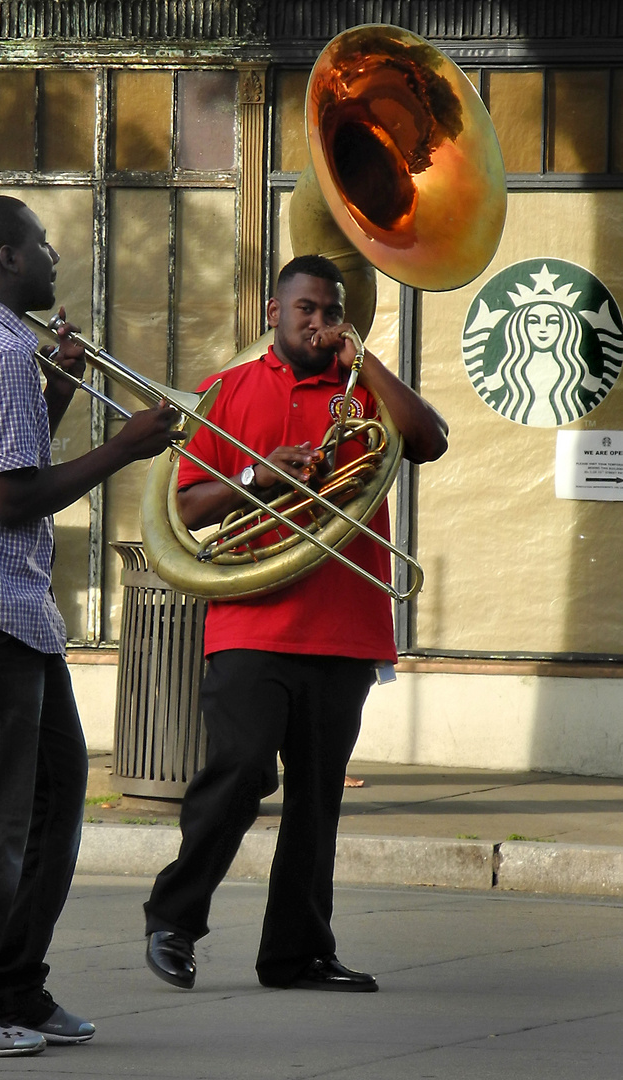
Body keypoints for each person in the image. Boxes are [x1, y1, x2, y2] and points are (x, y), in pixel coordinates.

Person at [0, 194, 178, 1057]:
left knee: (50, 805)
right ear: (9, 260)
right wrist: (124, 447)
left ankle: (11, 985)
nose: (54, 258)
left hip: (0, 611)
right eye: (43, 246)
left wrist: (55, 391)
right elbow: (12, 502)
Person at [143, 254, 448, 993]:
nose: (319, 321)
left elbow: (429, 439)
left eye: (331, 310)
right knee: (241, 771)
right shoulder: (228, 390)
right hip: (251, 620)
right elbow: (181, 510)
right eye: (306, 309)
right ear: (273, 315)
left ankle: (297, 953)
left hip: (344, 626)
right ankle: (174, 919)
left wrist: (367, 362)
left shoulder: (363, 390)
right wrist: (259, 476)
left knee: (318, 799)